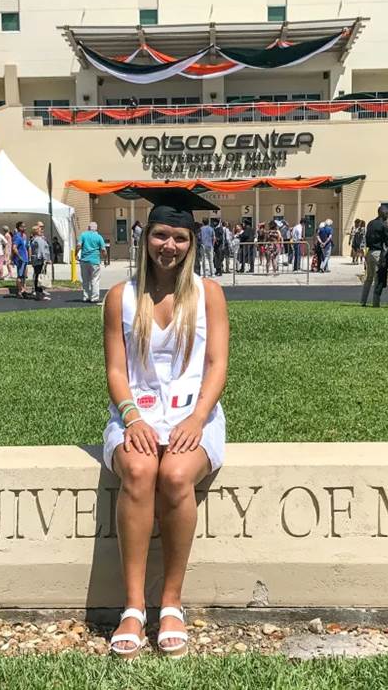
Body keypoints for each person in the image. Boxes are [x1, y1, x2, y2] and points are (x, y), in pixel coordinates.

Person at [102, 187, 228, 660]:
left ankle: (170, 602)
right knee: (138, 471)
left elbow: (216, 365)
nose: (168, 246)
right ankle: (133, 606)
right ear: (145, 238)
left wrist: (197, 418)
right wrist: (131, 416)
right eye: (160, 235)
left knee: (175, 475)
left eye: (178, 237)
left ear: (191, 242)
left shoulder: (207, 294)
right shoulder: (121, 297)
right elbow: (117, 370)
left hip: (194, 414)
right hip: (135, 413)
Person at [360, 206, 388, 307]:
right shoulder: (384, 225)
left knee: (369, 278)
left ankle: (363, 300)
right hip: (378, 253)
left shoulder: (370, 223)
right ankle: (375, 302)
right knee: (378, 278)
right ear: (384, 214)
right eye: (387, 214)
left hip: (369, 252)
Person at [77, 221, 106, 303]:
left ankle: (85, 297)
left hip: (84, 260)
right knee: (95, 279)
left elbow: (79, 245)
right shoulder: (99, 237)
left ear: (88, 228)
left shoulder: (83, 235)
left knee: (85, 280)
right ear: (96, 229)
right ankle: (94, 297)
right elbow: (103, 250)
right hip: (95, 260)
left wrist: (76, 254)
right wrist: (105, 258)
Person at [30, 222, 52, 300]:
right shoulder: (38, 239)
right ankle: (39, 294)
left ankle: (39, 293)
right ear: (36, 231)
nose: (41, 231)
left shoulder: (37, 239)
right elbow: (41, 250)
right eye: (40, 230)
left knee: (38, 276)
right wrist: (46, 259)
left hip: (37, 260)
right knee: (39, 277)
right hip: (39, 260)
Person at [12, 221, 30, 298]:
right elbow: (14, 248)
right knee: (20, 276)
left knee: (24, 276)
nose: (24, 228)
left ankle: (23, 290)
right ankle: (19, 292)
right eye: (22, 226)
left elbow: (26, 247)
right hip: (21, 259)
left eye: (25, 226)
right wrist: (19, 257)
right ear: (19, 228)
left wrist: (28, 257)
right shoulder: (17, 237)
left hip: (25, 259)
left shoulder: (24, 236)